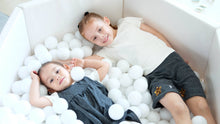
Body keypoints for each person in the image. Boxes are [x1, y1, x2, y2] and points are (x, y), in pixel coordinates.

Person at [78, 12, 216, 124]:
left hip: (174, 62)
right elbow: (90, 61)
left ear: (106, 20)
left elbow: (155, 33)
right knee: (179, 109)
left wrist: (171, 49)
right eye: (94, 38)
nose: (101, 37)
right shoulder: (106, 52)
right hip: (156, 77)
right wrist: (71, 63)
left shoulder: (127, 23)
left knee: (201, 107)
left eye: (100, 29)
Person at [29, 58, 141, 124]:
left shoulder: (86, 78)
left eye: (57, 71)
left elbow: (104, 65)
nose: (57, 77)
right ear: (51, 89)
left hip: (116, 117)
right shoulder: (58, 98)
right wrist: (35, 80)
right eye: (51, 80)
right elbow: (35, 101)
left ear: (67, 68)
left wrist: (84, 62)